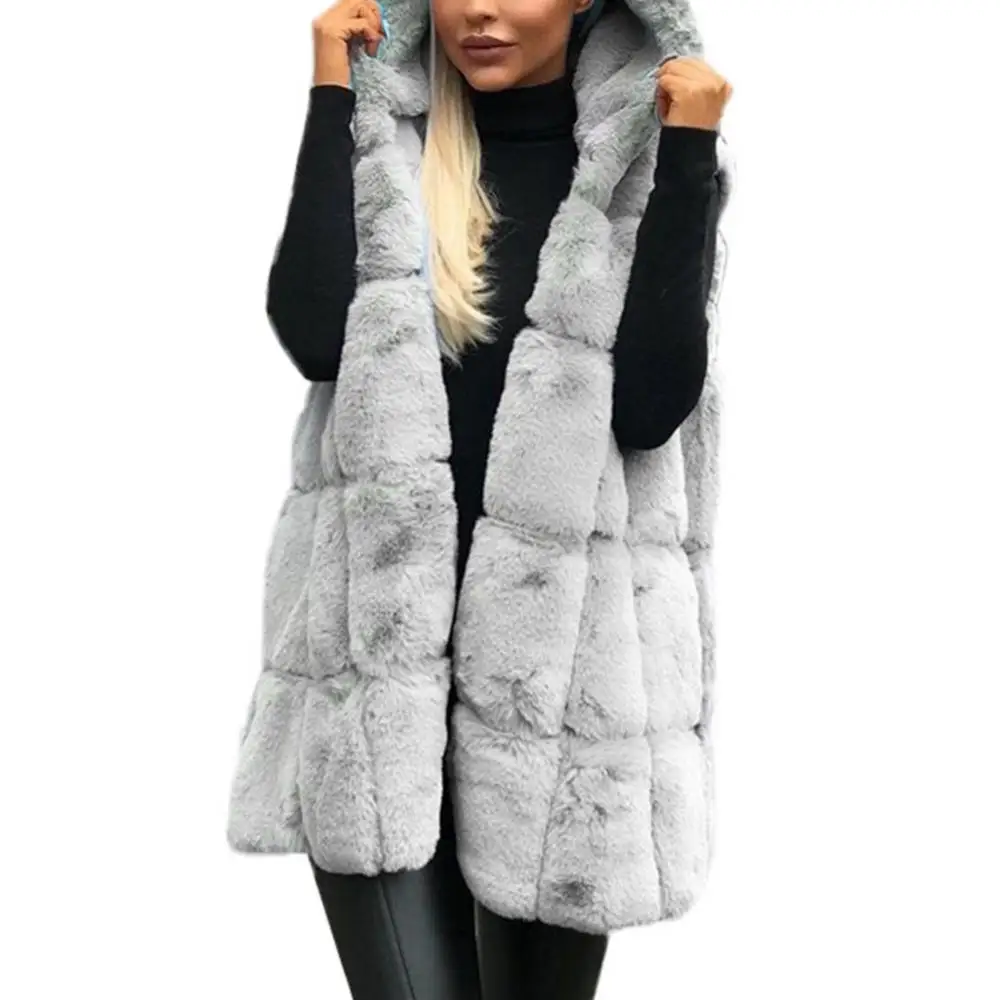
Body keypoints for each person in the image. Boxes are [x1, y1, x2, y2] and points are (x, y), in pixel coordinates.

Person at [228, 2, 734, 998]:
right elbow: (313, 333)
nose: (482, 9)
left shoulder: (640, 163)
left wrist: (686, 158)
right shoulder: (393, 144)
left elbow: (648, 409)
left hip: (562, 705)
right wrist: (335, 91)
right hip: (375, 679)